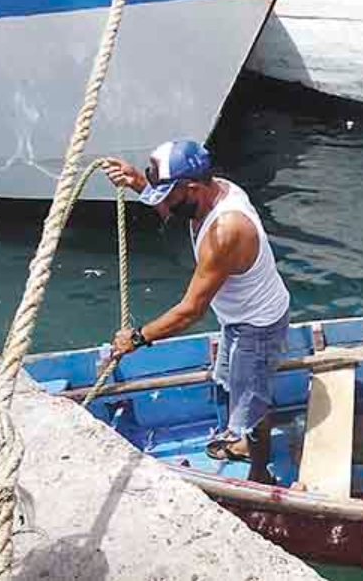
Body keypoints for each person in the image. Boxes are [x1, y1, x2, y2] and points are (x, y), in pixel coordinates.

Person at [100, 140, 290, 485]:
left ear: (191, 188)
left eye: (168, 196)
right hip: (235, 317)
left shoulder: (226, 231)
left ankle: (261, 473)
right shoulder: (213, 190)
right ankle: (244, 441)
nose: (164, 206)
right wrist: (140, 186)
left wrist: (138, 337)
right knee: (229, 382)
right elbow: (172, 209)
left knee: (251, 405)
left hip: (257, 326)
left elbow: (190, 311)